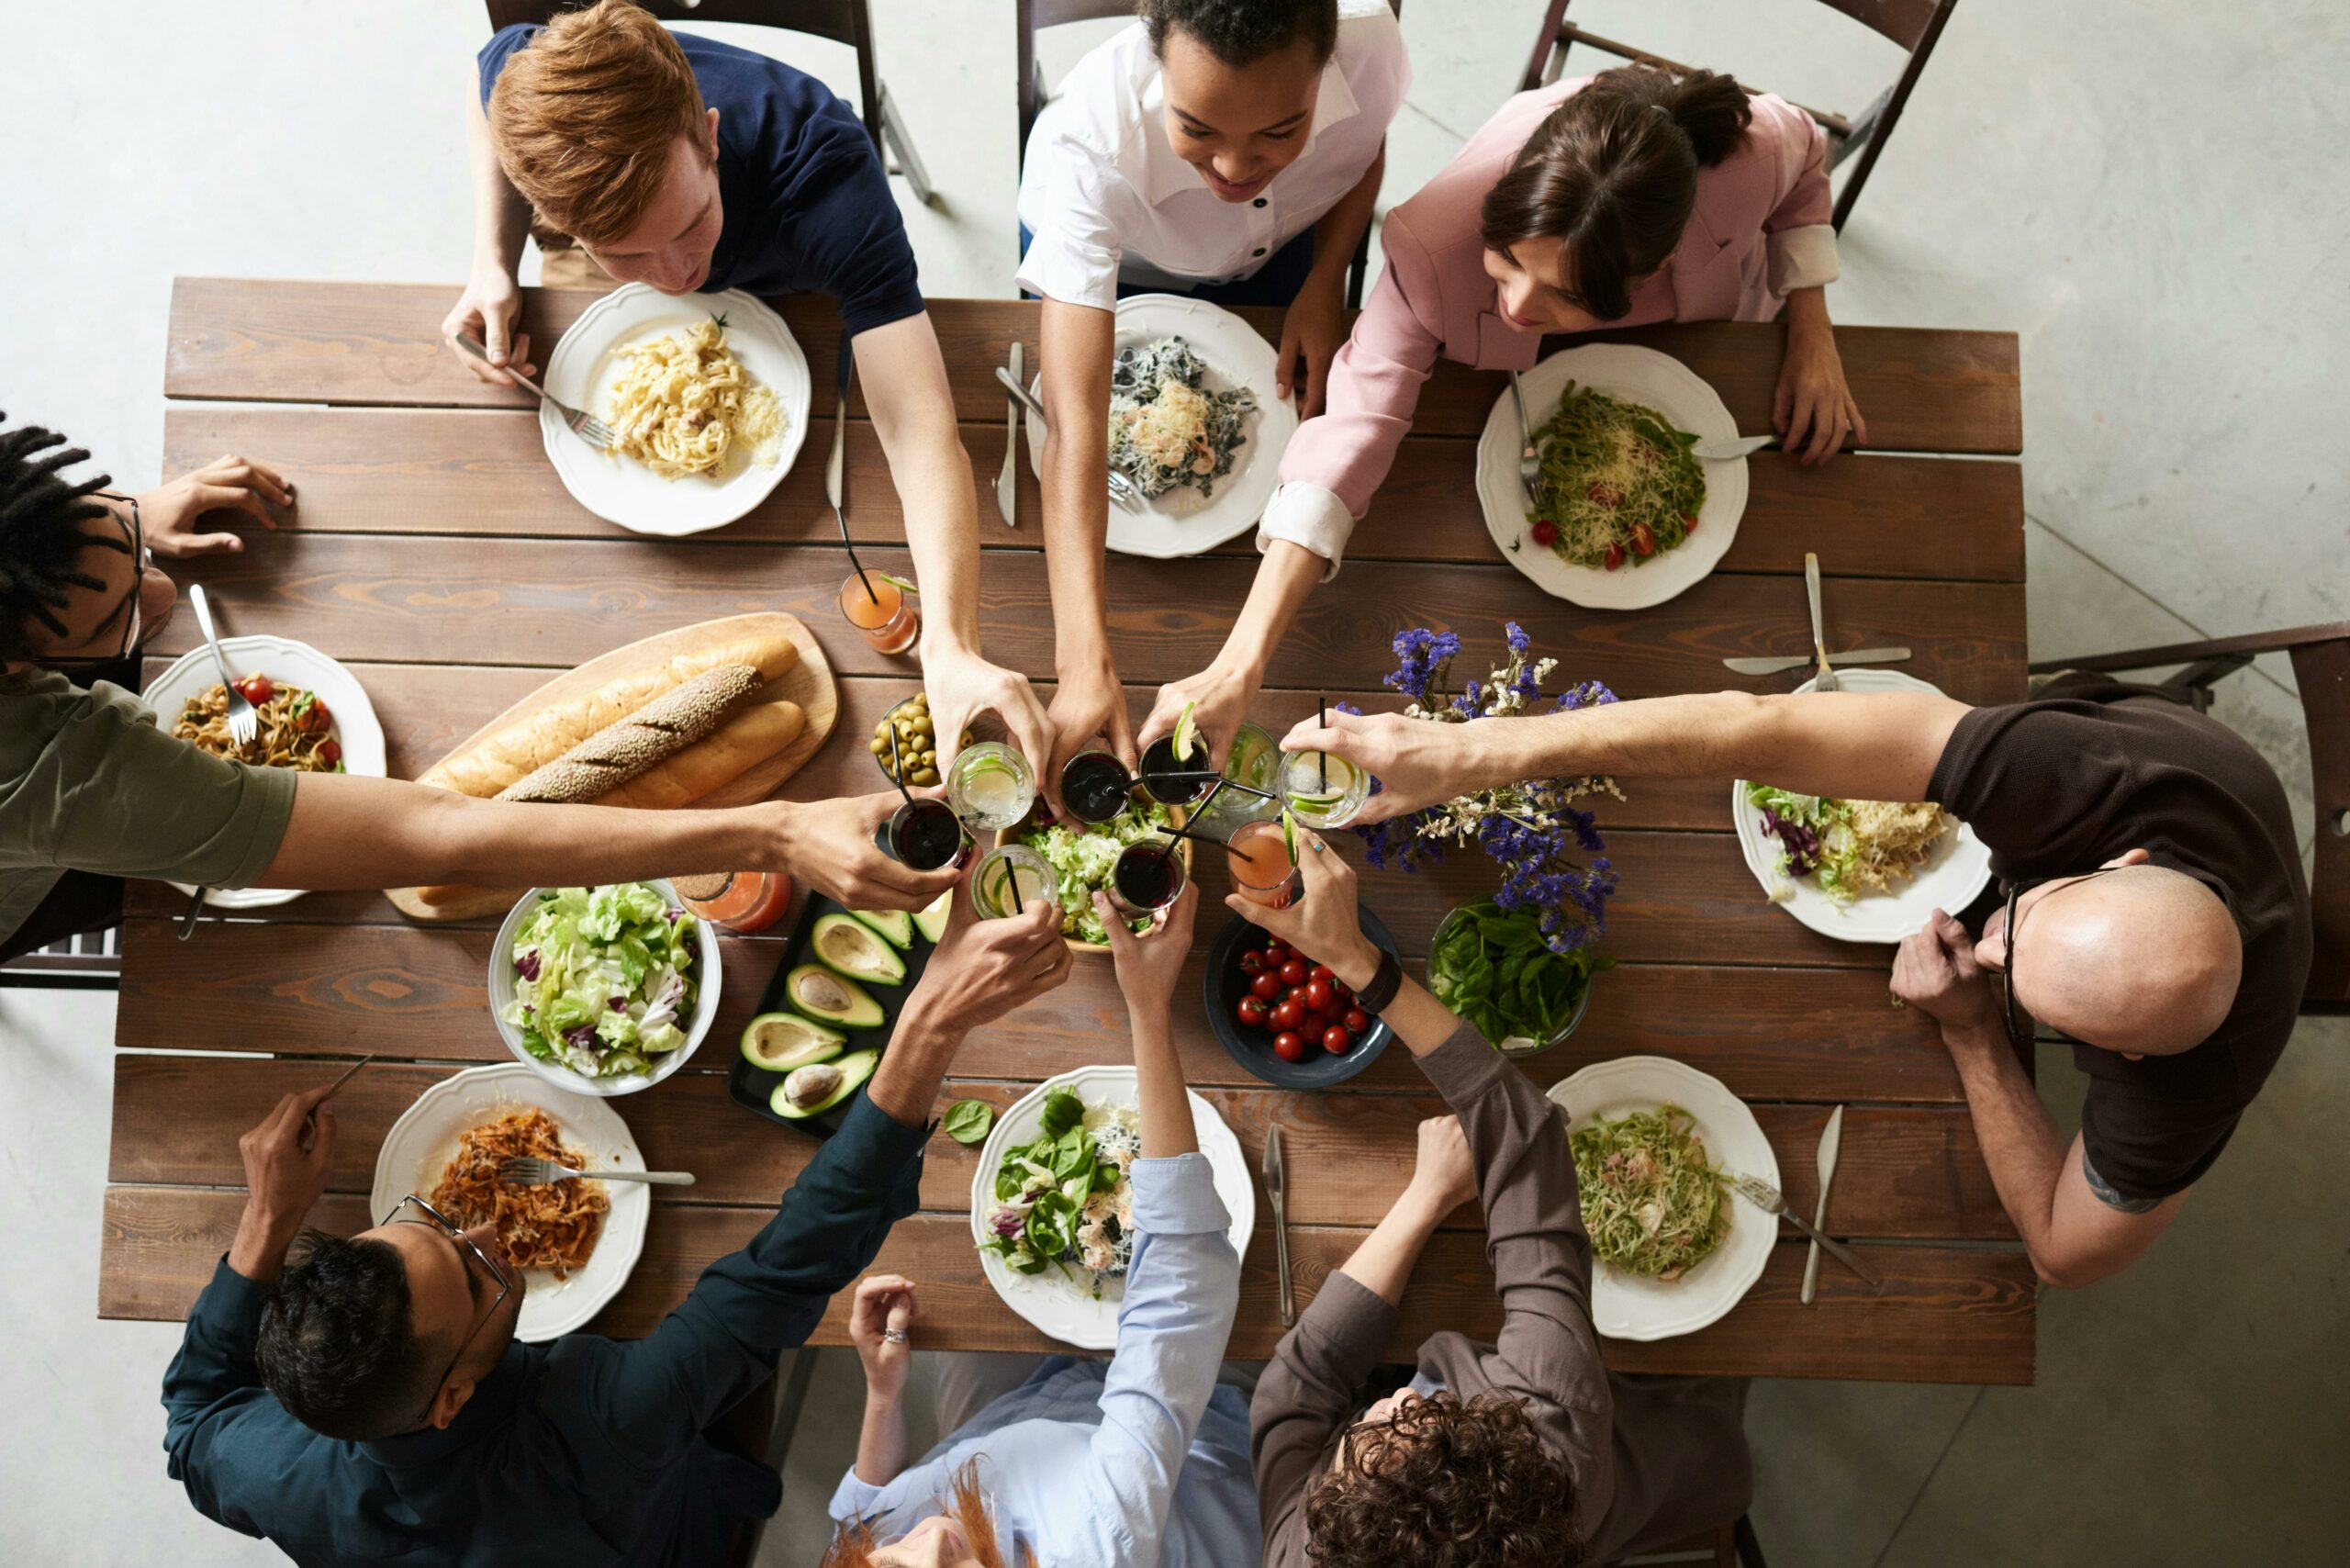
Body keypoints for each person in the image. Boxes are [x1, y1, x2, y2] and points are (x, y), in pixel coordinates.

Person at [1286, 674, 2311, 1287]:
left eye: (2016, 979)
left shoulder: (2192, 1088)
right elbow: (1758, 726)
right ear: (2119, 861)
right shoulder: (2092, 780)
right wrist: (1476, 748)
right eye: (2023, 922)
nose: (1983, 937)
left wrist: (1968, 1032)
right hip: (2143, 766)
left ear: (2126, 1057)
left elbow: (2062, 1249)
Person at [160, 888, 1072, 1566]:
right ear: (447, 1400)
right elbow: (792, 1264)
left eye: (434, 1225)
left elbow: (192, 1419)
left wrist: (268, 1220)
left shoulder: (277, 1467)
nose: (485, 1233)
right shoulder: (597, 1429)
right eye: (477, 1278)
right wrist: (931, 1018)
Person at [0, 415, 958, 963]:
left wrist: (115, 536)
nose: (168, 594)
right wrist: (777, 829)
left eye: (121, 532)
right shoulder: (60, 772)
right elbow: (434, 831)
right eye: (118, 623)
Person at [1135, 63, 1862, 774]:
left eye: (1563, 296)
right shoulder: (1431, 243)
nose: (1515, 307)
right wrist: (1240, 662)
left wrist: (1812, 326)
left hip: (1707, 351)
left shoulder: (1750, 157)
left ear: (1655, 266)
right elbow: (1355, 424)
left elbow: (1807, 163)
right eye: (1508, 258)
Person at [442, 0, 1048, 777]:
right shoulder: (538, 96)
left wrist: (952, 644)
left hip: (797, 289)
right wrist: (493, 261)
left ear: (711, 135)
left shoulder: (825, 171)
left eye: (689, 224)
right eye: (626, 256)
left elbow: (917, 420)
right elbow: (489, 63)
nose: (675, 279)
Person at [1243, 839, 1750, 1565]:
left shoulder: (1306, 1553)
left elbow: (1291, 1395)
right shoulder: (1553, 1437)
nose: (1389, 1405)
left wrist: (1423, 1200)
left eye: (1361, 1445)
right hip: (1663, 1456)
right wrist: (1363, 964)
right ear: (1496, 1451)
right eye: (1418, 1422)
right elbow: (1527, 1141)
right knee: (1703, 1415)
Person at [1020, 0, 1407, 795]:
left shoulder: (1371, 46)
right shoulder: (1087, 149)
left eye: (1279, 131)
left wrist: (1326, 279)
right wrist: (1082, 662)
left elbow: (1364, 151)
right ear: (1154, 50)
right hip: (1126, 261)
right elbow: (1077, 430)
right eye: (1198, 129)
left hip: (1289, 250)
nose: (1235, 169)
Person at [822, 883, 1257, 1567]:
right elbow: (1180, 1296)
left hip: (1022, 1420)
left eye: (898, 1562)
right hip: (1202, 1447)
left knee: (963, 1303)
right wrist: (1146, 1005)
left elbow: (862, 1517)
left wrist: (883, 1394)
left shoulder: (888, 1544)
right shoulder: (1099, 1541)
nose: (933, 1536)